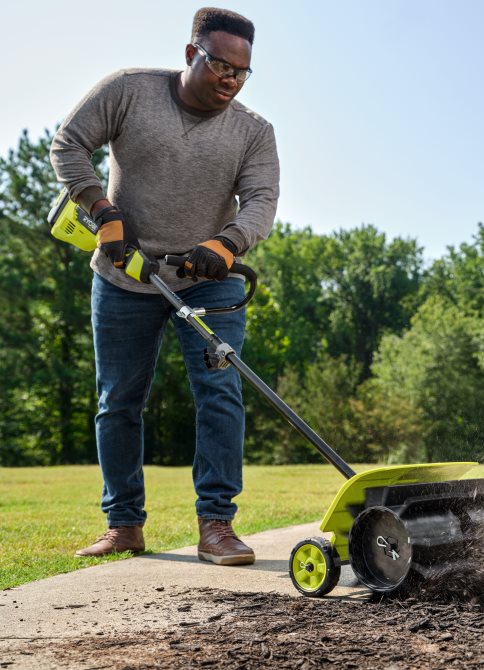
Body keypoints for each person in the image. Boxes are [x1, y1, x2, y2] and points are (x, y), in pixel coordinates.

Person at [50, 7, 280, 566]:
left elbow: (261, 201)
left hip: (208, 278)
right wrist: (103, 211)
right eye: (220, 65)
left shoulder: (254, 131)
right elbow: (68, 144)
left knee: (220, 393)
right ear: (191, 53)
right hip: (123, 274)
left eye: (241, 72)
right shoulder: (129, 90)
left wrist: (228, 243)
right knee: (118, 401)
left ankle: (217, 525)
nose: (230, 79)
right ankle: (123, 524)